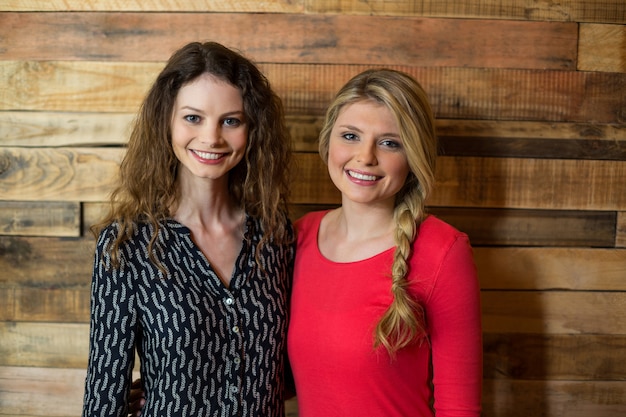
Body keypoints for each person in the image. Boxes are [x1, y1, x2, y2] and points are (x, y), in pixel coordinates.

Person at [82, 41, 295, 417]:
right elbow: (103, 395)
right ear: (167, 120)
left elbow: (289, 372)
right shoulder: (126, 245)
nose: (212, 137)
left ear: (252, 129)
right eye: (193, 118)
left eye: (231, 120)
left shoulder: (277, 238)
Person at [287, 68, 483, 416]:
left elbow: (460, 407)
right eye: (350, 136)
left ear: (413, 156)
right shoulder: (298, 236)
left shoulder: (443, 250)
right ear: (328, 140)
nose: (365, 157)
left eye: (390, 143)